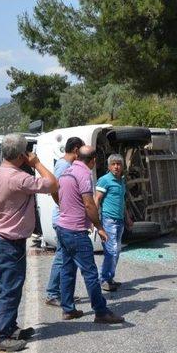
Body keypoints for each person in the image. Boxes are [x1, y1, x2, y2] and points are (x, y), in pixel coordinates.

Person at [0, 133, 58, 352]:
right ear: (22, 155)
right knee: (11, 289)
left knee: (6, 286)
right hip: (9, 241)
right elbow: (53, 184)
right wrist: (37, 163)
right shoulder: (19, 179)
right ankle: (0, 336)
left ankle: (9, 327)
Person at [55, 145, 125, 323]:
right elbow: (89, 203)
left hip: (62, 228)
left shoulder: (66, 171)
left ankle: (68, 309)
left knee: (67, 269)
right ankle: (101, 311)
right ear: (93, 160)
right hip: (76, 231)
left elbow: (55, 192)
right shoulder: (84, 174)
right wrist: (98, 225)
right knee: (91, 273)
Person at [44, 136, 85, 306]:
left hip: (64, 218)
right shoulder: (64, 166)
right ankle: (53, 293)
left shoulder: (65, 164)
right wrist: (64, 206)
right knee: (62, 257)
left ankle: (62, 293)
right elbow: (55, 188)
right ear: (76, 150)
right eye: (81, 151)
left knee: (66, 257)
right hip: (63, 219)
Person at [94, 154, 133, 292]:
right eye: (113, 164)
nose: (116, 167)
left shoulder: (121, 181)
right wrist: (94, 221)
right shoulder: (104, 180)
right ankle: (104, 279)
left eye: (119, 164)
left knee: (116, 250)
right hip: (108, 221)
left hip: (120, 221)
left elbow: (122, 202)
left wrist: (127, 218)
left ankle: (109, 278)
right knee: (111, 251)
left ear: (122, 166)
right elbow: (96, 200)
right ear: (109, 166)